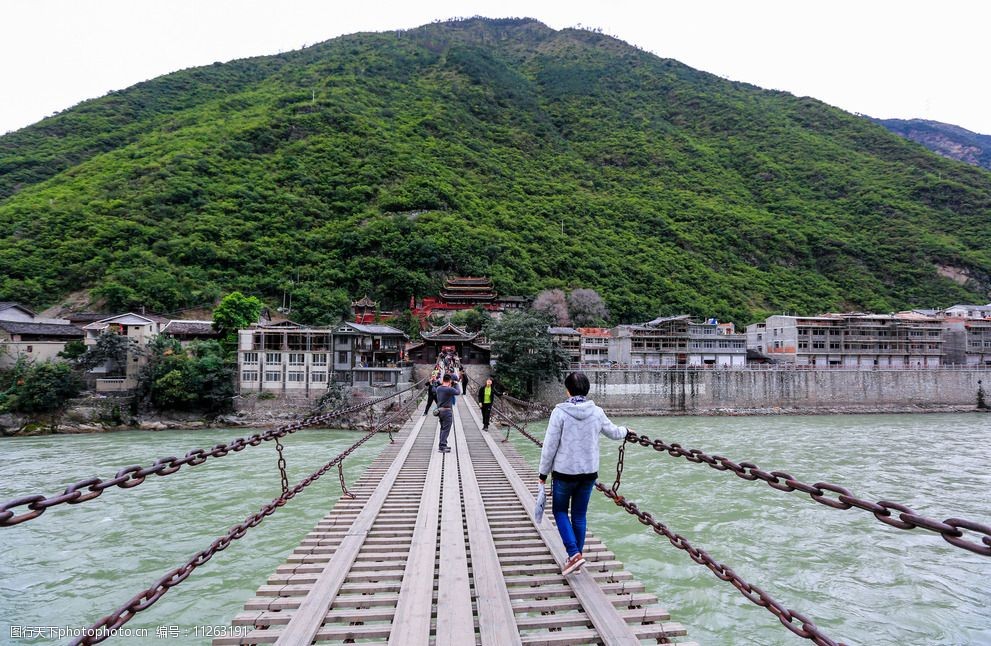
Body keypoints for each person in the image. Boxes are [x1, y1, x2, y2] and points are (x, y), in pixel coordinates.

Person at [538, 372, 627, 575]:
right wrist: (627, 431)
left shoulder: (559, 412)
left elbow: (550, 446)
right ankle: (575, 557)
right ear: (586, 390)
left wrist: (543, 473)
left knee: (560, 511)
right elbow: (614, 432)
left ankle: (574, 554)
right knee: (579, 515)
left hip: (564, 473)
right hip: (588, 473)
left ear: (567, 390)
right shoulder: (596, 412)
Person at [434, 374, 460, 452]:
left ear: (443, 380)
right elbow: (458, 392)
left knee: (442, 428)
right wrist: (456, 384)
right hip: (447, 411)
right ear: (450, 381)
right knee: (446, 429)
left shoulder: (438, 388)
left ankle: (443, 444)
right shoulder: (449, 389)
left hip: (440, 411)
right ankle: (442, 446)